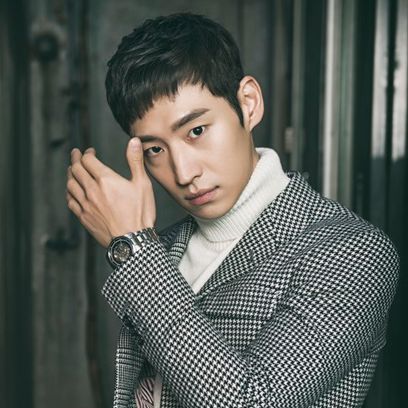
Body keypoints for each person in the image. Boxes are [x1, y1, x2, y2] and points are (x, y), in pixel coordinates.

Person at [66, 12, 399, 408]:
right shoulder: (162, 248)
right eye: (155, 149)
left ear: (248, 103)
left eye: (196, 131)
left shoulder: (352, 252)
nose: (184, 173)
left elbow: (250, 401)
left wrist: (132, 248)